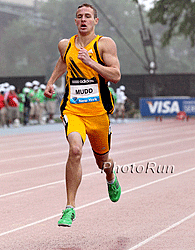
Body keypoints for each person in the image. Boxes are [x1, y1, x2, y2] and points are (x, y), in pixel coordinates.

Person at [44, 3, 121, 227]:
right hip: (73, 110)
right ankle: (69, 208)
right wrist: (51, 82)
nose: (83, 20)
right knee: (75, 150)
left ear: (95, 21)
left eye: (88, 16)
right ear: (75, 21)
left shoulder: (104, 44)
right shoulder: (65, 45)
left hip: (98, 113)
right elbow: (63, 61)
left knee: (103, 161)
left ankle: (110, 177)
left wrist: (91, 62)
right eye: (79, 17)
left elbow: (115, 75)